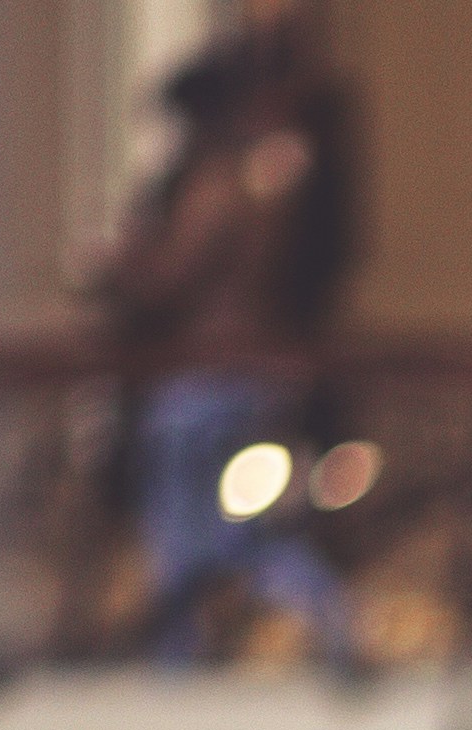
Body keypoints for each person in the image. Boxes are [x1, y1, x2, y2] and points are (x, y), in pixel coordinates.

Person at [98, 8, 370, 675]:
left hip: (203, 376)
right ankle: (329, 623)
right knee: (234, 533)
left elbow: (168, 279)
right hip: (248, 374)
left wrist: (117, 265)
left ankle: (179, 663)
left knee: (190, 534)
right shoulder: (265, 182)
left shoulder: (217, 187)